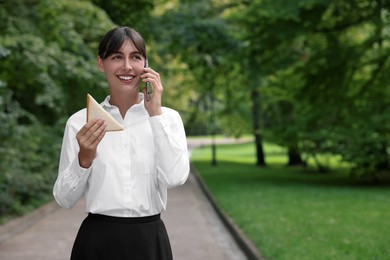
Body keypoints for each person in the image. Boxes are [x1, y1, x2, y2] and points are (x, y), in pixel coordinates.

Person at [53, 26, 190, 260]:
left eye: (135, 57)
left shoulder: (167, 118)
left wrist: (155, 113)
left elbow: (175, 178)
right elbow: (64, 199)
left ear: (146, 65)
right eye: (117, 56)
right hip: (96, 242)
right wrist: (84, 159)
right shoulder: (80, 122)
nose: (127, 66)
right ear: (101, 63)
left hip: (150, 240)